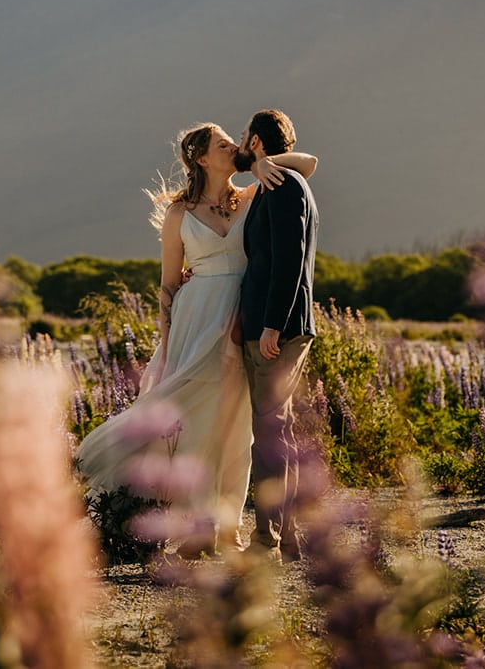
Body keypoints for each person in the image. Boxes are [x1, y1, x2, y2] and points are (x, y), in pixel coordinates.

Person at [75, 122, 317, 554]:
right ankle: (191, 525)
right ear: (201, 158)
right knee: (192, 421)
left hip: (241, 317)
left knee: (237, 426)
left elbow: (309, 164)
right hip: (197, 319)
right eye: (223, 144)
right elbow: (168, 286)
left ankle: (226, 528)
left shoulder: (252, 193)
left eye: (234, 142)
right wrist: (167, 346)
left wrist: (266, 161)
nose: (233, 148)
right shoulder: (179, 214)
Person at [233, 108, 318, 562]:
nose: (241, 144)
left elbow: (289, 258)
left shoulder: (282, 188)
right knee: (278, 432)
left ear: (259, 143)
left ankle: (268, 540)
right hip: (278, 326)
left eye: (245, 137)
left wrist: (270, 325)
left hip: (277, 329)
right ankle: (288, 539)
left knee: (268, 434)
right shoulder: (279, 180)